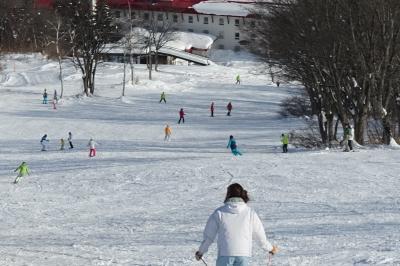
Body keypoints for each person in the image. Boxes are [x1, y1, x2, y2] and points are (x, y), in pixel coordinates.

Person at [195, 183, 278, 265]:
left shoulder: (219, 212)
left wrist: (201, 251)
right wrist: (270, 248)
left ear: (228, 195)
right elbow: (260, 236)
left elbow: (209, 236)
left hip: (225, 254)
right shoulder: (250, 213)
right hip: (243, 254)